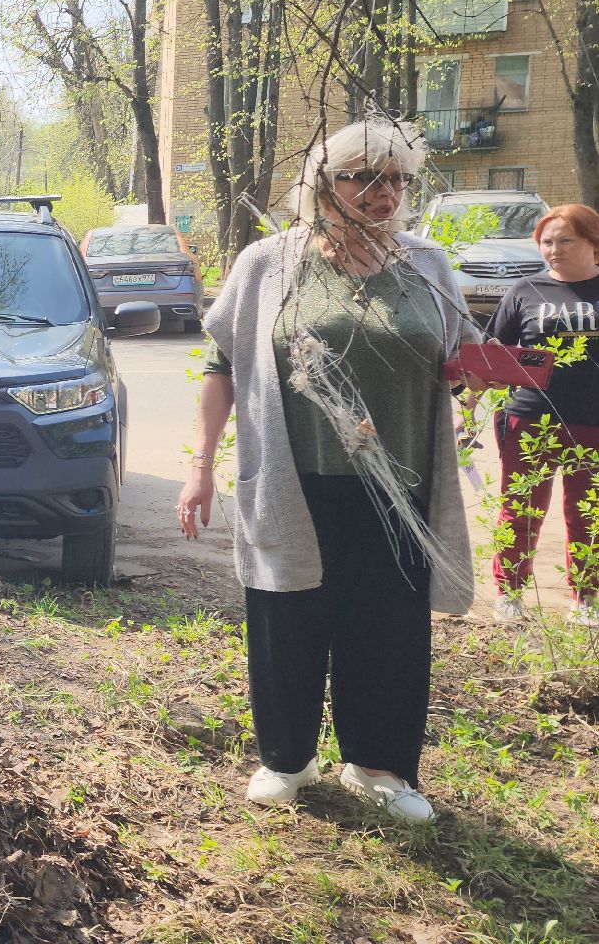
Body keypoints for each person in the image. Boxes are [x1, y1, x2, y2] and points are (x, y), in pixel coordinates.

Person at [177, 117, 478, 824]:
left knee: (390, 624)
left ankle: (378, 767)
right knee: (288, 614)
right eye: (365, 177)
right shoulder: (268, 264)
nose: (385, 194)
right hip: (294, 476)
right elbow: (222, 368)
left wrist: (475, 377)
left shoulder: (426, 266)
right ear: (323, 183)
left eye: (398, 179)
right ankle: (288, 758)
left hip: (400, 485)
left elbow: (453, 363)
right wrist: (200, 467)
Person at [484, 203, 599, 626]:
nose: (554, 249)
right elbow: (494, 352)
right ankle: (509, 593)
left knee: (588, 509)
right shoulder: (524, 292)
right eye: (546, 242)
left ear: (593, 243)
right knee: (521, 507)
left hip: (594, 421)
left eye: (565, 240)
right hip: (531, 420)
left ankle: (586, 598)